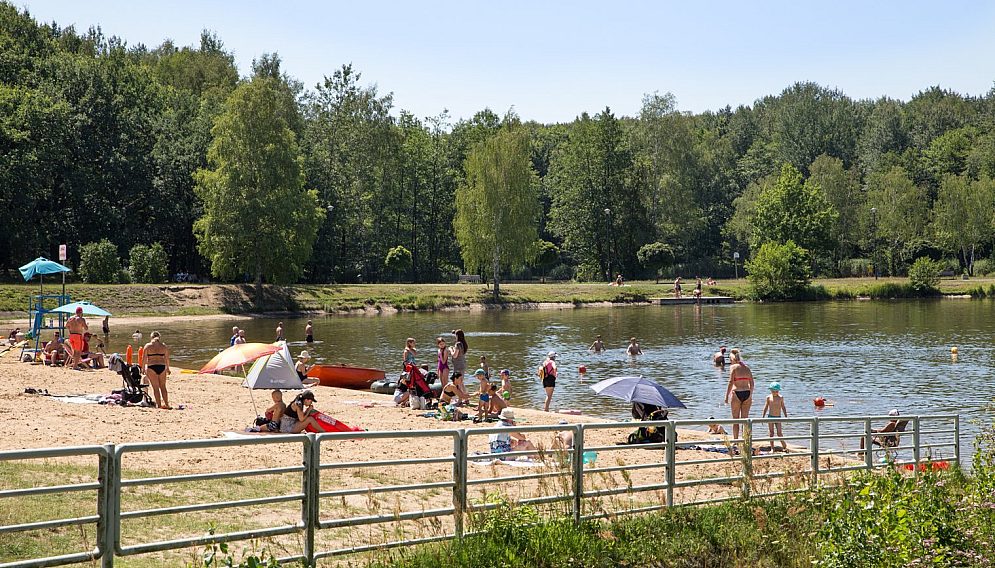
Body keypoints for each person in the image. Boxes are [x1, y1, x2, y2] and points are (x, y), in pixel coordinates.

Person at [724, 350, 754, 444]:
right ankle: (746, 441)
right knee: (745, 420)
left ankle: (736, 441)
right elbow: (752, 383)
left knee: (735, 419)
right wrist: (750, 395)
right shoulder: (747, 368)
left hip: (736, 392)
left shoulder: (733, 367)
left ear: (732, 359)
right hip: (747, 393)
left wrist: (726, 396)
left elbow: (730, 382)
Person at [143, 331, 171, 409]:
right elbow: (167, 359)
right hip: (162, 366)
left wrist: (142, 368)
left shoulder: (148, 346)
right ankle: (166, 404)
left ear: (151, 337)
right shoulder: (163, 346)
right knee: (163, 386)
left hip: (151, 367)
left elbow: (144, 358)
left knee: (155, 387)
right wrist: (168, 368)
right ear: (159, 337)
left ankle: (159, 405)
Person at [762, 382, 789, 451]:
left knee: (779, 433)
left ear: (778, 391)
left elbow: (783, 407)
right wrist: (763, 416)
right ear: (771, 390)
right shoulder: (768, 397)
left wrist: (786, 415)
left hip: (778, 417)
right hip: (770, 417)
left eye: (776, 391)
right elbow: (766, 407)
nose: (775, 393)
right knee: (771, 433)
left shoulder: (780, 397)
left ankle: (784, 445)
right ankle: (772, 448)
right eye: (773, 391)